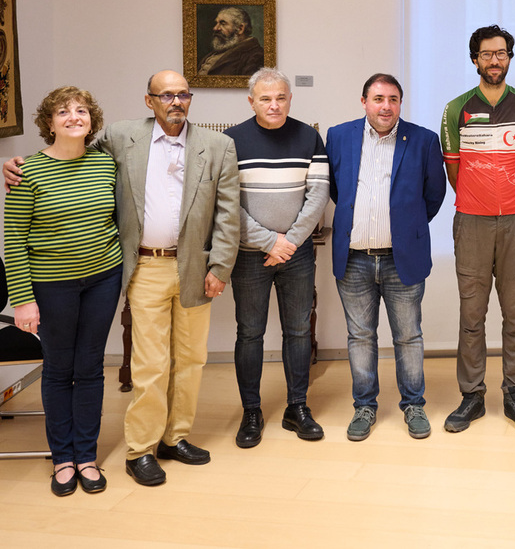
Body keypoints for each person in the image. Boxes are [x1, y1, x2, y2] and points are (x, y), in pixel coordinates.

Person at [6, 70, 241, 486]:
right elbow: (67, 151)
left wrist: (220, 267)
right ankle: (142, 449)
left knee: (190, 359)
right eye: (165, 94)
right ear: (149, 100)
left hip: (194, 267)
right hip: (145, 266)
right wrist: (17, 163)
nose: (175, 101)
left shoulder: (218, 146)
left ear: (191, 98)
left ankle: (175, 437)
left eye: (183, 94)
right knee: (150, 364)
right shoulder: (121, 138)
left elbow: (228, 214)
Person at [4, 87, 122, 496]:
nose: (74, 116)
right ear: (48, 122)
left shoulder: (106, 164)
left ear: (92, 119)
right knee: (59, 369)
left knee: (90, 367)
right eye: (63, 111)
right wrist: (21, 299)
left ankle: (86, 456)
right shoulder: (27, 172)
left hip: (104, 279)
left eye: (82, 110)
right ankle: (63, 459)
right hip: (51, 285)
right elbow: (14, 240)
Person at [327, 73, 446, 441]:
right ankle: (364, 406)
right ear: (364, 101)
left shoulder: (423, 140)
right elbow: (334, 188)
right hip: (355, 258)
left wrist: (405, 227)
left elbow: (434, 195)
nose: (386, 106)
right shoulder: (339, 136)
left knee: (408, 337)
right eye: (378, 98)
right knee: (360, 337)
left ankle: (413, 405)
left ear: (400, 104)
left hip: (402, 259)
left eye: (393, 99)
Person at [440, 24, 515, 433]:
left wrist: (507, 197)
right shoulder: (455, 109)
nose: (494, 60)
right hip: (472, 221)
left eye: (501, 53)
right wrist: (481, 198)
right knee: (472, 314)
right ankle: (472, 397)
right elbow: (454, 169)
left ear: (510, 58)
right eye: (487, 54)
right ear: (474, 59)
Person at [224, 68, 329, 448]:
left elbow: (317, 195)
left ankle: (297, 407)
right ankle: (251, 410)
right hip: (250, 255)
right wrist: (270, 242)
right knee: (249, 333)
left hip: (297, 255)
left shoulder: (309, 137)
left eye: (281, 97)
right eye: (265, 98)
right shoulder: (230, 141)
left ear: (290, 99)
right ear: (251, 101)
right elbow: (227, 204)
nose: (274, 104)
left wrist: (290, 242)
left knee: (298, 331)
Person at [198, 6, 265, 76]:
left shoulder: (256, 55)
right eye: (216, 23)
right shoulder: (221, 49)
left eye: (223, 24)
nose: (215, 28)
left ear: (240, 28)